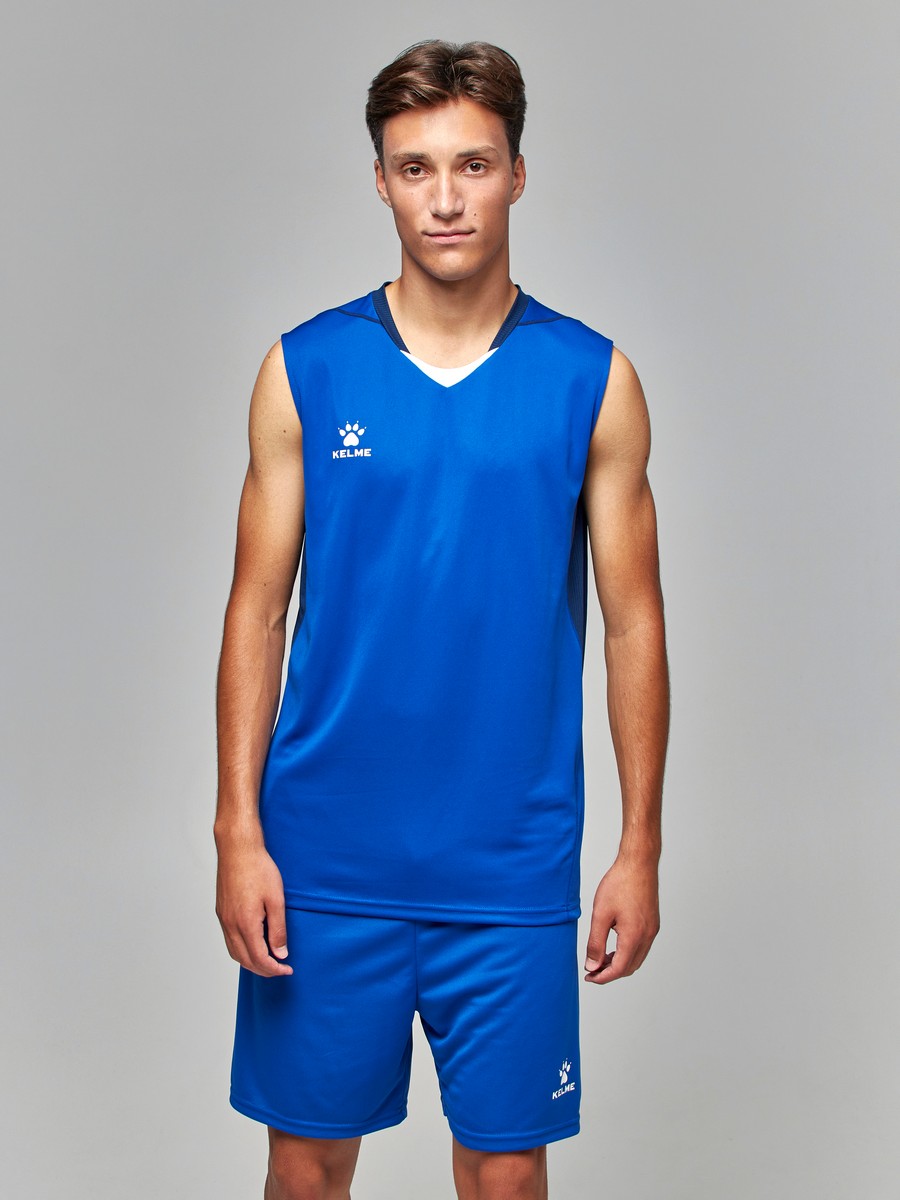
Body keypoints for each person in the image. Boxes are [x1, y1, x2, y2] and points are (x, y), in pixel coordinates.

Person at [214, 38, 669, 1200]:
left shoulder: (593, 380)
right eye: (416, 168)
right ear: (381, 181)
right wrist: (237, 833)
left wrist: (640, 848)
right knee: (307, 1171)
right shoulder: (305, 370)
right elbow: (256, 614)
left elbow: (634, 628)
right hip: (325, 856)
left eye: (472, 164)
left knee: (506, 1176)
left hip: (508, 863)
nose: (446, 198)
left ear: (517, 173)